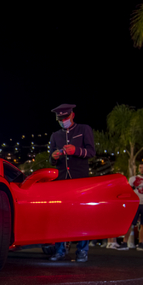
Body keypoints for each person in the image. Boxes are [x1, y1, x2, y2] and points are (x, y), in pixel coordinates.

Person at [47, 103, 95, 262]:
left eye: (65, 118)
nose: (63, 121)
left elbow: (91, 152)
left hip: (80, 179)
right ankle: (60, 250)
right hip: (61, 181)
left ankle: (82, 251)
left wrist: (76, 151)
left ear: (72, 115)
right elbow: (51, 161)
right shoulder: (55, 136)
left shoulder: (84, 129)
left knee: (82, 216)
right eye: (60, 119)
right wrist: (53, 157)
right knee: (61, 216)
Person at [119, 162, 143, 251]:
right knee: (131, 223)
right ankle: (124, 242)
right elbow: (128, 190)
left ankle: (140, 243)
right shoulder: (133, 179)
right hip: (135, 204)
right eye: (140, 167)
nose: (142, 169)